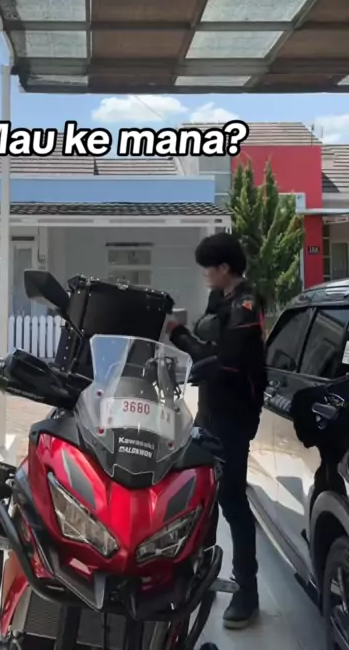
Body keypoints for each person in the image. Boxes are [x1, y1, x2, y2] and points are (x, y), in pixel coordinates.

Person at [167, 232, 266, 630]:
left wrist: (180, 336)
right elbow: (206, 350)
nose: (205, 275)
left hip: (233, 417)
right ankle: (199, 577)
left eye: (208, 268)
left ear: (224, 267)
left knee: (232, 501)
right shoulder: (219, 300)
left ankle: (247, 592)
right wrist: (180, 337)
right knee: (201, 496)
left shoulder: (246, 304)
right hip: (209, 412)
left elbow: (226, 359)